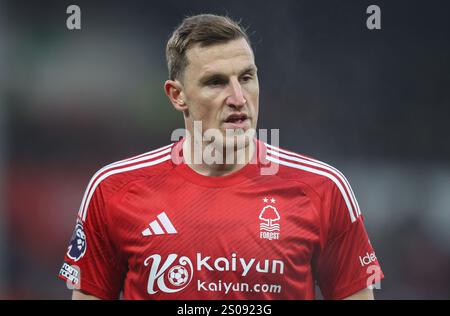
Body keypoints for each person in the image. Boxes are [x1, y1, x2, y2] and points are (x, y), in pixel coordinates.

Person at [58, 14, 383, 300]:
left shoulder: (323, 189)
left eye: (246, 77)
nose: (238, 98)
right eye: (216, 82)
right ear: (177, 95)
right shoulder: (114, 189)